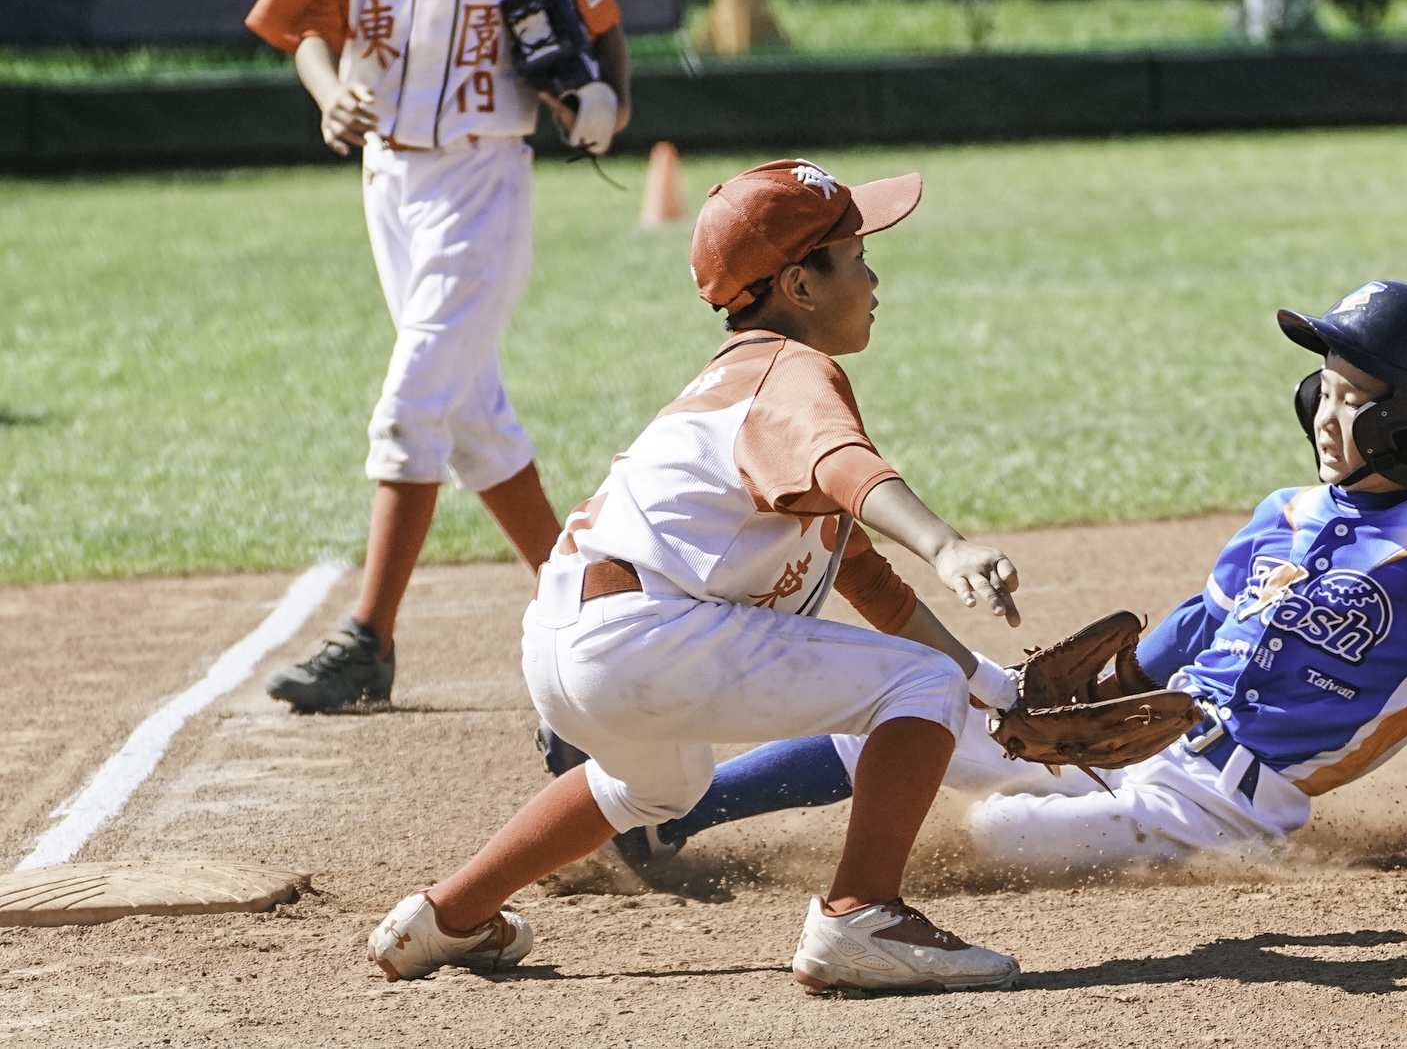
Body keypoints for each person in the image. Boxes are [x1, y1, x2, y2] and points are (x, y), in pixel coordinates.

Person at [563, 280, 1407, 877]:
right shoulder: (1282, 513)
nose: (1328, 411)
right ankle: (678, 813)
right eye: (1322, 388)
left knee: (1004, 834)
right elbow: (1197, 622)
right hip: (1141, 733)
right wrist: (1088, 689)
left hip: (1214, 803)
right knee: (926, 711)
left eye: (1354, 393)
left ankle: (867, 897)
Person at [369, 158, 1026, 993]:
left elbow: (870, 583)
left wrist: (996, 690)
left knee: (657, 785)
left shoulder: (730, 387)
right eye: (855, 256)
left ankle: (446, 916)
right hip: (645, 635)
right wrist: (948, 545)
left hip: (573, 642)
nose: (873, 275)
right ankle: (861, 915)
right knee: (920, 687)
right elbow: (844, 461)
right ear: (799, 283)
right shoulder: (792, 373)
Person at [244, 0, 632, 712]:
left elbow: (600, 23)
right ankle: (590, 597)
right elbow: (303, 25)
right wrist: (328, 90)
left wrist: (607, 104)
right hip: (390, 180)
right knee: (471, 419)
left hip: (484, 176)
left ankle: (368, 636)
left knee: (412, 404)